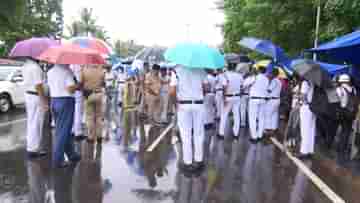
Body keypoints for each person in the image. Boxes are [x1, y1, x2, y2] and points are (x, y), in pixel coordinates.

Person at [169, 65, 207, 173]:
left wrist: (175, 103)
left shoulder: (176, 71)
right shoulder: (201, 70)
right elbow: (206, 88)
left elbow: (172, 91)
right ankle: (199, 160)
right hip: (199, 104)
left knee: (185, 134)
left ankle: (188, 163)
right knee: (199, 133)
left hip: (183, 105)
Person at [47, 64, 81, 168]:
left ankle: (71, 154)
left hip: (54, 100)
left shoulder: (50, 71)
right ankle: (58, 160)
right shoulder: (67, 71)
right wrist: (78, 85)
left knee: (62, 129)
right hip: (65, 101)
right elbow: (70, 89)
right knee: (63, 131)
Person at [22, 58, 48, 158]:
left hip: (29, 95)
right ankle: (33, 149)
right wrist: (44, 100)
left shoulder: (26, 65)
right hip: (36, 96)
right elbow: (38, 85)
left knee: (31, 121)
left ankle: (31, 147)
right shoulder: (35, 67)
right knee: (36, 123)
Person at [81, 65, 105, 143]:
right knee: (99, 117)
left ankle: (91, 137)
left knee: (90, 117)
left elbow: (81, 82)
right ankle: (99, 137)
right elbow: (103, 82)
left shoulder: (84, 70)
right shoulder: (101, 70)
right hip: (99, 94)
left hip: (89, 95)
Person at [218, 63, 243, 139]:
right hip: (237, 97)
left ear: (228, 67)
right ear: (235, 67)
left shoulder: (224, 75)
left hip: (228, 97)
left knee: (224, 115)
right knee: (236, 115)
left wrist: (224, 98)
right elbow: (241, 86)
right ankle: (236, 134)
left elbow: (224, 87)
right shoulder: (239, 75)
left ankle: (221, 133)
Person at [245, 65, 269, 143]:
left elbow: (244, 84)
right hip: (263, 100)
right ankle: (260, 135)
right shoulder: (266, 79)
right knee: (261, 118)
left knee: (252, 118)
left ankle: (254, 137)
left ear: (258, 71)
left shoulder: (254, 77)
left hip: (254, 99)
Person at [336, 74, 357, 154]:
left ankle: (340, 148)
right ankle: (343, 147)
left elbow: (336, 100)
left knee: (341, 130)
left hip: (342, 111)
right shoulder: (353, 89)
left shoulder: (339, 89)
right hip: (351, 113)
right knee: (347, 131)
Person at [297, 79, 316, 159]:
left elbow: (303, 96)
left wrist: (299, 96)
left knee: (304, 130)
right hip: (314, 108)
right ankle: (310, 151)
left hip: (306, 107)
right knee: (311, 130)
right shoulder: (315, 83)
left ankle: (304, 151)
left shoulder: (305, 82)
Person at [70, 65, 86, 141]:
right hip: (78, 91)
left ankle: (72, 130)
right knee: (78, 113)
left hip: (71, 91)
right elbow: (80, 81)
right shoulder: (79, 67)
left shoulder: (69, 66)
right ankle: (78, 132)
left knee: (72, 112)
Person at [265, 68, 282, 135]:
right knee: (274, 114)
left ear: (273, 74)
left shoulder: (274, 81)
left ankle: (268, 129)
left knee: (268, 114)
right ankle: (274, 128)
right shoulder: (279, 81)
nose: (269, 74)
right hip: (277, 99)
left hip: (272, 100)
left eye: (270, 73)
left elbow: (269, 90)